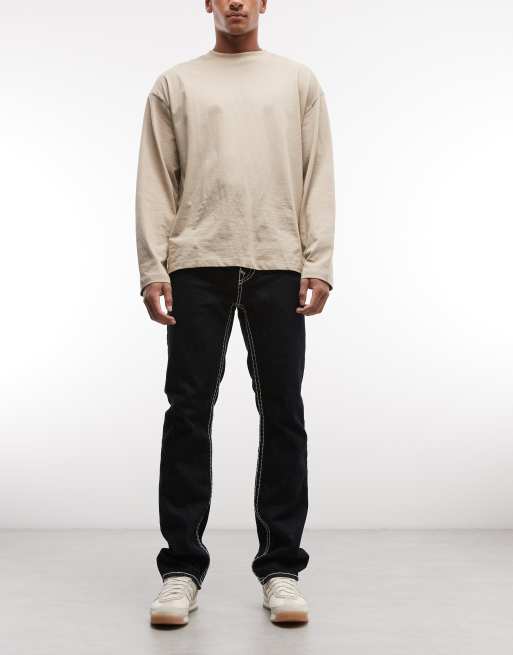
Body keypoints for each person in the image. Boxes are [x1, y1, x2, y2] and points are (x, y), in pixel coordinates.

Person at [135, 0, 336, 626]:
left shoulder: (296, 81)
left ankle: (281, 569)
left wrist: (319, 261)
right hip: (196, 262)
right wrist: (152, 267)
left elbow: (317, 173)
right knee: (188, 412)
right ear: (208, 3)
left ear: (265, 2)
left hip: (277, 260)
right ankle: (181, 570)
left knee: (283, 411)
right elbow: (155, 180)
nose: (236, 2)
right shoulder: (176, 83)